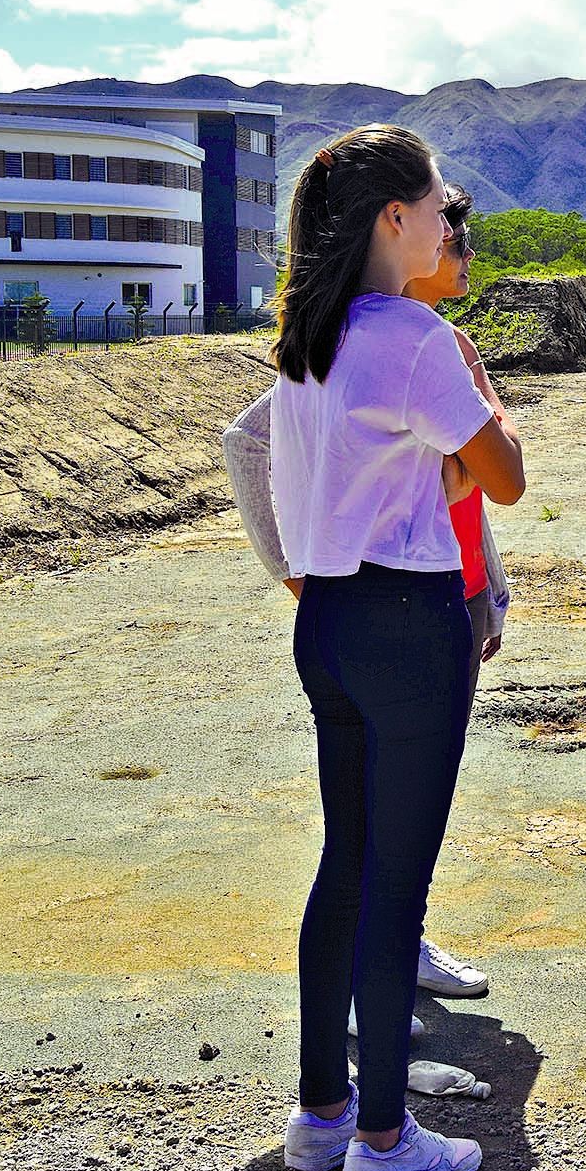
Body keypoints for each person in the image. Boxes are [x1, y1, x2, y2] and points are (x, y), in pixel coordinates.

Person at [267, 126, 523, 1171]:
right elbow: (502, 475)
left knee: (343, 865)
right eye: (432, 205)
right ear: (392, 219)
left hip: (322, 617)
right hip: (408, 623)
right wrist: (480, 403)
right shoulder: (413, 338)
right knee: (395, 885)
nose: (442, 222)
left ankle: (320, 1112)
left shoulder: (307, 336)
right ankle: (384, 1140)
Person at [224, 187, 508, 1009]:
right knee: (374, 822)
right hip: (392, 608)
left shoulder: (437, 342)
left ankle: (396, 958)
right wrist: (297, 565)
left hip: (447, 595)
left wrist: (489, 584)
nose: (462, 253)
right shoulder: (365, 342)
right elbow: (247, 439)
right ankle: (373, 998)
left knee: (409, 813)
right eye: (452, 236)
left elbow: (460, 490)